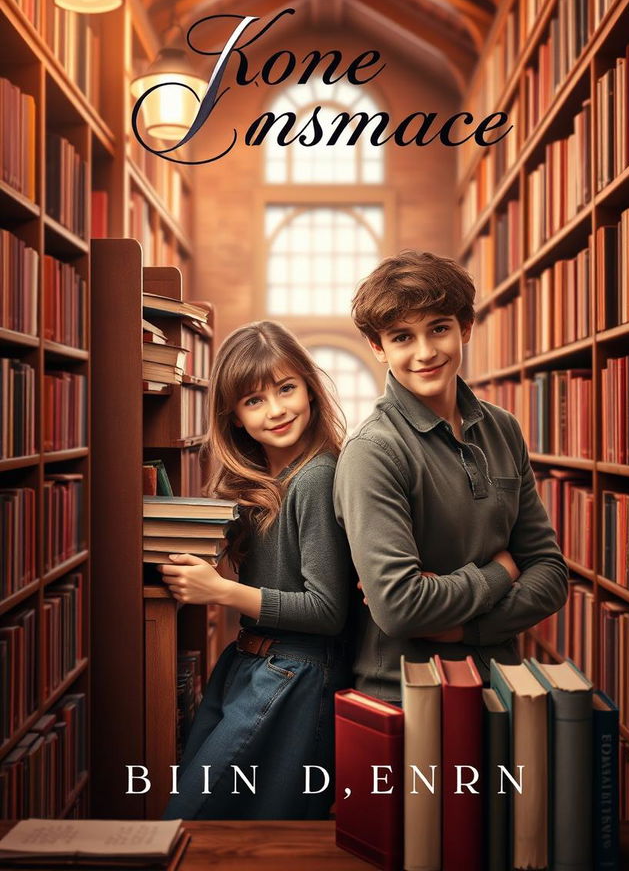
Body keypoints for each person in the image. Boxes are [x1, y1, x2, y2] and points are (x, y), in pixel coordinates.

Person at [333, 250, 568, 703]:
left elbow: (550, 572)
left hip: (503, 685)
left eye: (438, 328)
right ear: (378, 348)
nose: (424, 353)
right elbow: (401, 608)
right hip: (406, 696)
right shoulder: (373, 452)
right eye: (402, 337)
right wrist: (501, 571)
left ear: (464, 327)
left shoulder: (503, 429)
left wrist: (467, 628)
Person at [161, 321, 352, 819]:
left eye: (286, 388)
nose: (277, 410)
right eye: (254, 400)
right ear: (235, 419)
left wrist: (220, 591)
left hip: (295, 670)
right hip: (249, 664)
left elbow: (328, 610)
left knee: (191, 818)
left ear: (310, 387)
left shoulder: (316, 476)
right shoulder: (266, 481)